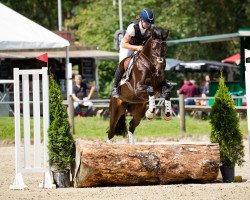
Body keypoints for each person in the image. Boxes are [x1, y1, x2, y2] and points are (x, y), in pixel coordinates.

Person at [112, 8, 155, 98]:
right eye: (147, 23)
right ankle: (115, 87)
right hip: (128, 47)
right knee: (123, 65)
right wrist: (136, 47)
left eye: (149, 23)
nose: (148, 25)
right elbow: (123, 44)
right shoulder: (132, 27)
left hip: (140, 48)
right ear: (141, 20)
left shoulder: (150, 28)